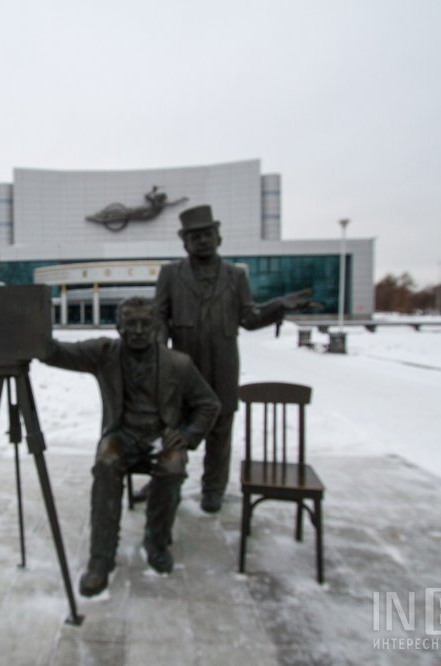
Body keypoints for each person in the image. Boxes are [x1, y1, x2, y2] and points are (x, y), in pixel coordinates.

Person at [42, 297, 220, 597]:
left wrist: (188, 436)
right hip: (122, 435)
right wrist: (31, 331)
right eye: (131, 324)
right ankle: (101, 558)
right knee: (106, 464)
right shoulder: (104, 353)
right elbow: (58, 353)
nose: (138, 330)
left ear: (156, 327)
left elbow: (208, 404)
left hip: (161, 436)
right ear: (119, 327)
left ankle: (156, 541)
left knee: (173, 467)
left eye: (145, 324)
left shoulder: (178, 363)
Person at [155, 204, 314, 513]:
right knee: (175, 425)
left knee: (220, 428)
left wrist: (279, 306)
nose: (202, 241)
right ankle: (165, 481)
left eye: (207, 234)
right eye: (195, 236)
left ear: (219, 237)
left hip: (223, 365)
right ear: (183, 240)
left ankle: (213, 488)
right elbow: (159, 316)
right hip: (183, 366)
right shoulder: (170, 274)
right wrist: (160, 350)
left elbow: (249, 318)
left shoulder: (235, 276)